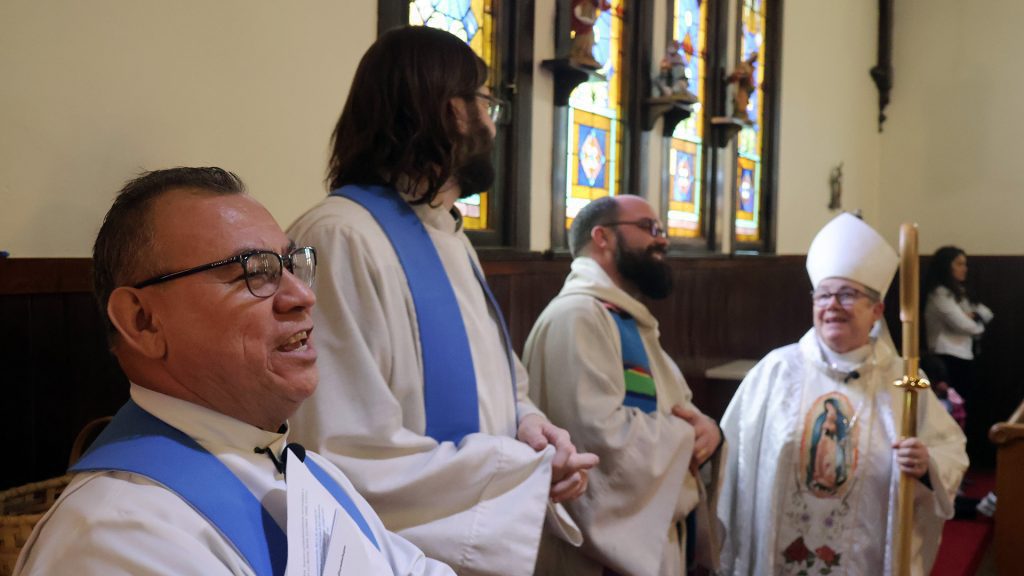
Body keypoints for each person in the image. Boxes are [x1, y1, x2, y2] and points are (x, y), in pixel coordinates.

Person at [14, 167, 454, 575]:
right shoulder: (118, 533)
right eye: (254, 271)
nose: (301, 295)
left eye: (290, 264)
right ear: (142, 321)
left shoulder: (309, 472)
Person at [287, 27, 598, 576]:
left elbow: (499, 383)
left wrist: (529, 428)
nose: (492, 121)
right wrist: (518, 472)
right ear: (449, 109)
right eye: (486, 102)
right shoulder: (341, 238)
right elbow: (342, 448)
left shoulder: (447, 234)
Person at [717, 213, 968, 575]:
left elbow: (951, 451)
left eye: (848, 295)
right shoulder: (776, 371)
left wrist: (927, 464)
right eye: (823, 295)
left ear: (877, 311)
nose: (832, 305)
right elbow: (733, 462)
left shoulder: (906, 379)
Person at [522, 195, 723, 576]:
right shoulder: (577, 317)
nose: (661, 239)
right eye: (649, 228)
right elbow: (598, 442)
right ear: (602, 237)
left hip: (654, 538)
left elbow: (674, 404)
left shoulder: (621, 316)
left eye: (661, 229)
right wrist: (688, 438)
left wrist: (709, 431)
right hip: (602, 558)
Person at [923, 246, 993, 414]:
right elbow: (965, 325)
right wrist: (973, 320)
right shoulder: (939, 294)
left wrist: (974, 315)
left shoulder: (959, 293)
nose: (964, 269)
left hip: (964, 355)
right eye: (959, 264)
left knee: (965, 404)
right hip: (947, 357)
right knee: (953, 406)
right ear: (947, 266)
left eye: (965, 264)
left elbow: (987, 314)